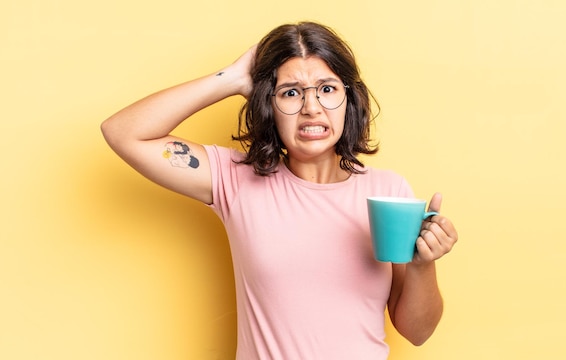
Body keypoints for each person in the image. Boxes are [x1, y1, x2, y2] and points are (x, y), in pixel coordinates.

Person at [101, 21, 458, 360]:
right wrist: (232, 78)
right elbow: (123, 132)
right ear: (268, 105)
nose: (311, 108)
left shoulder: (388, 190)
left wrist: (422, 266)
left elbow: (417, 331)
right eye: (290, 93)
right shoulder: (235, 180)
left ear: (349, 99)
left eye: (327, 89)